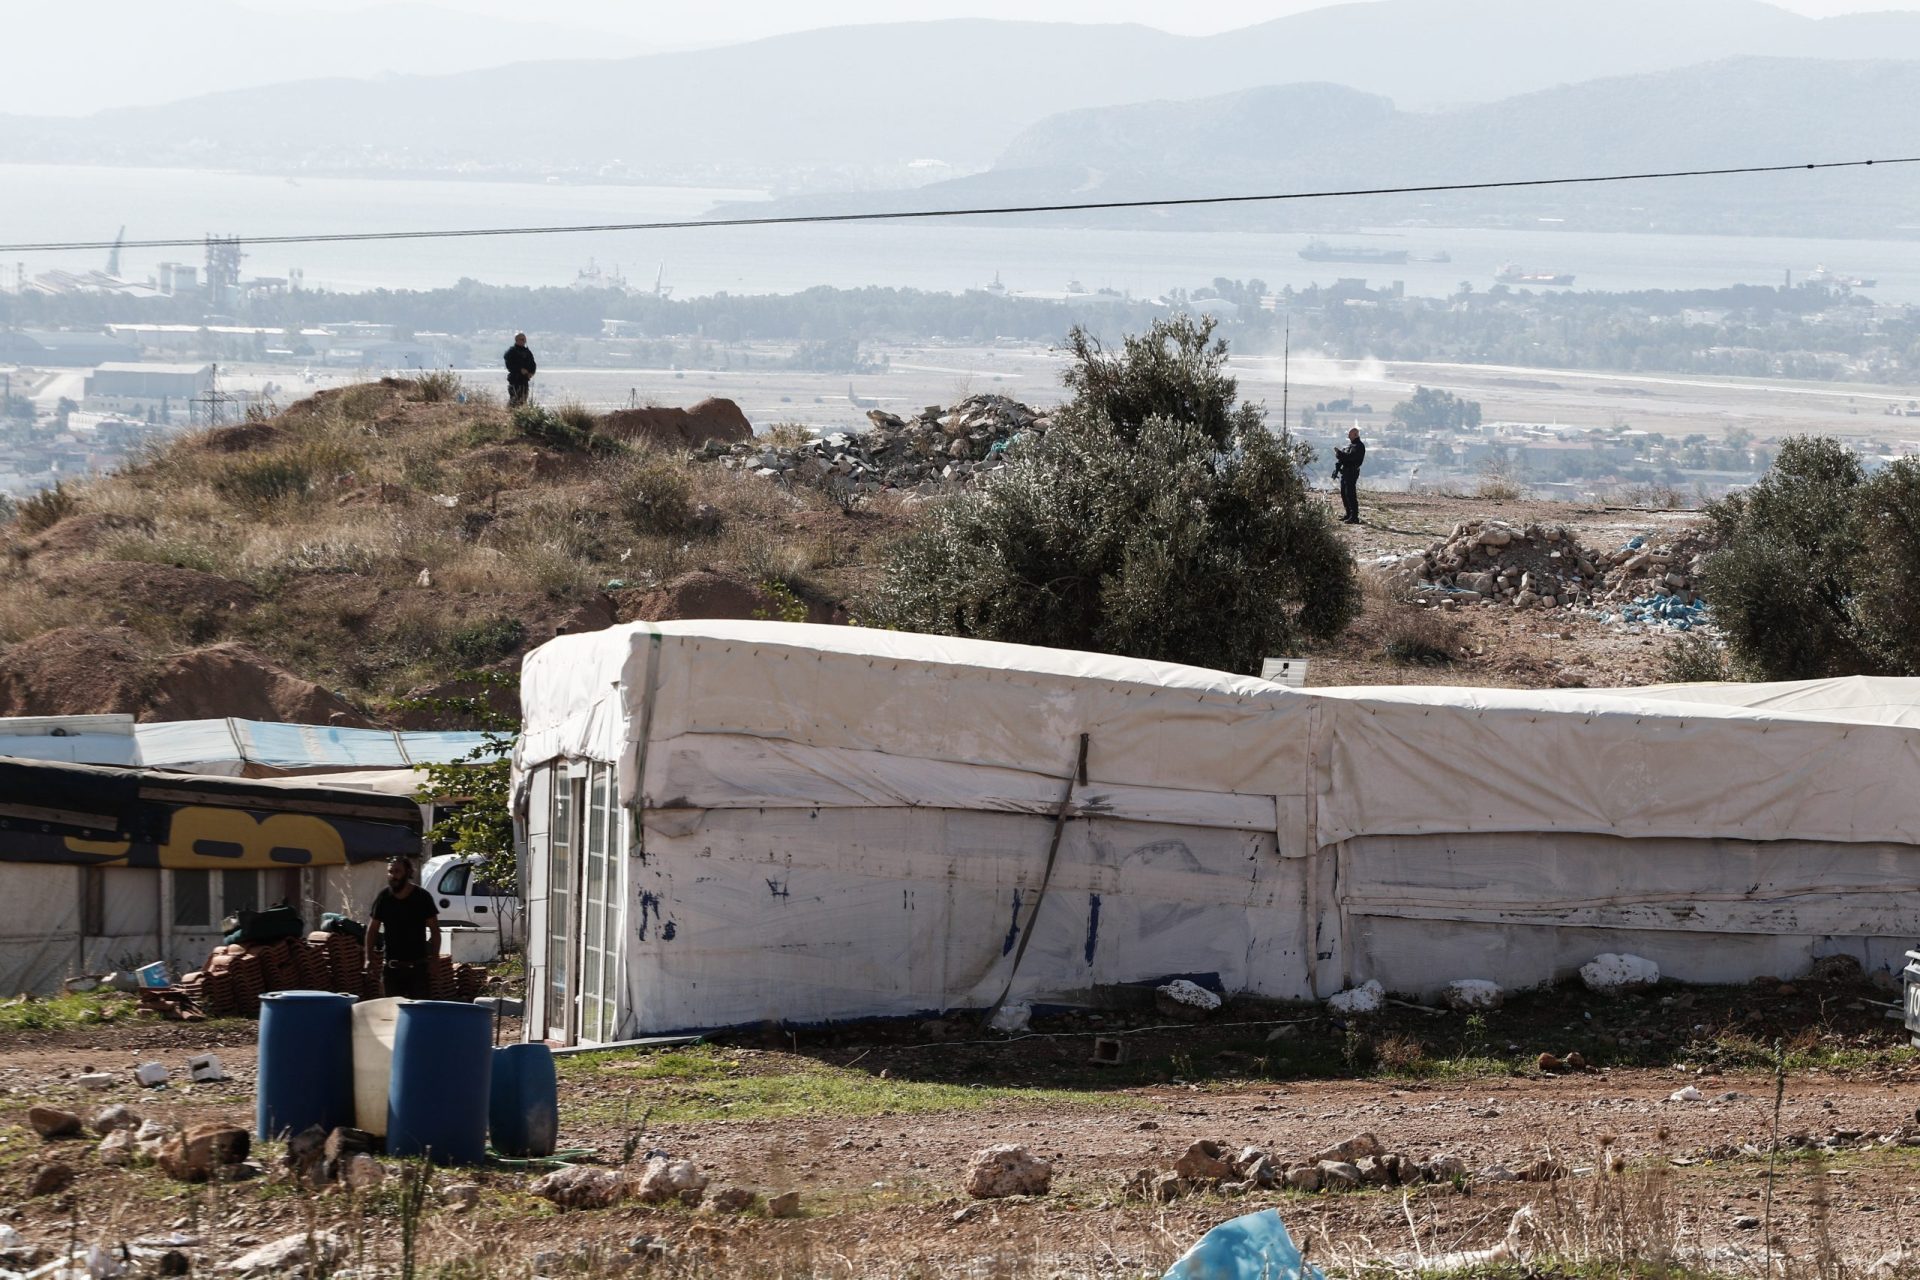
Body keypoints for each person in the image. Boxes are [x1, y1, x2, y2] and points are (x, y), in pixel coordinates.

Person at [365, 856, 440, 999]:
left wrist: (435, 958)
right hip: (392, 968)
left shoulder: (422, 897)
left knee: (419, 1012)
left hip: (418, 968)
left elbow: (435, 930)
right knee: (391, 1013)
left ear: (408, 872)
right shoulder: (383, 898)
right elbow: (372, 929)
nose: (393, 876)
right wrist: (368, 958)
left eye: (397, 871)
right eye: (390, 872)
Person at [1332, 427, 1366, 524]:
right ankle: (1348, 514)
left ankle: (1354, 516)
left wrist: (1339, 453)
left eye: (1350, 434)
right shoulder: (1350, 446)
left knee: (1350, 494)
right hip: (1345, 472)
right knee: (1344, 493)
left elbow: (1350, 458)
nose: (1348, 436)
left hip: (1352, 472)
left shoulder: (1359, 446)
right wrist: (1336, 469)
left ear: (1355, 435)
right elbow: (1342, 460)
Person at [504, 332, 537, 406]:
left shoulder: (527, 352)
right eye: (522, 339)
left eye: (525, 340)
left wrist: (531, 373)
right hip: (515, 380)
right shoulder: (511, 352)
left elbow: (533, 364)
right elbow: (509, 365)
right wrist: (520, 369)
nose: (524, 341)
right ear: (516, 340)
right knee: (514, 399)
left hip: (524, 380)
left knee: (523, 400)